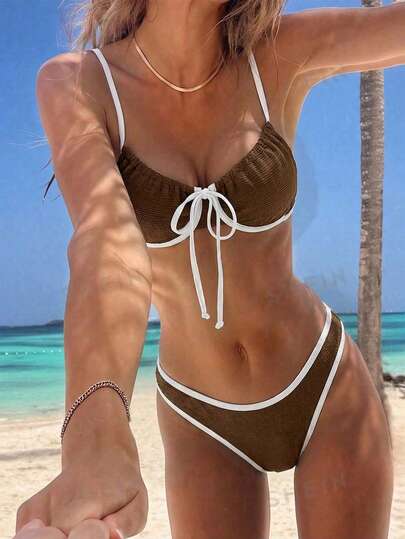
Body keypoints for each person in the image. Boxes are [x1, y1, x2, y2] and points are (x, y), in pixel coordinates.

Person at [16, 1, 402, 537]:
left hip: (321, 385)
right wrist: (94, 436)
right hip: (200, 416)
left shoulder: (278, 54)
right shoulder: (80, 84)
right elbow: (107, 242)